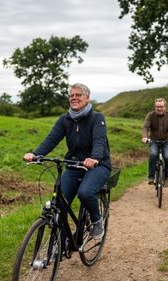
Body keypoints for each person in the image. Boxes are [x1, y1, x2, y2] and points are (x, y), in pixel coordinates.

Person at [23, 83, 111, 240]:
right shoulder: (65, 119)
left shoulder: (97, 118)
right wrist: (36, 154)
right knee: (60, 203)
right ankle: (61, 243)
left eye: (78, 95)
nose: (74, 98)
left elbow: (99, 142)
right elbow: (51, 140)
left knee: (85, 193)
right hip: (74, 164)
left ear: (87, 98)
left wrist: (95, 158)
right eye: (71, 95)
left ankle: (97, 220)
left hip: (97, 165)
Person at [141, 97, 168, 187]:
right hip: (153, 141)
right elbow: (145, 127)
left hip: (166, 141)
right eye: (157, 106)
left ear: (165, 107)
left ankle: (166, 177)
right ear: (155, 107)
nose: (159, 108)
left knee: (167, 158)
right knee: (153, 155)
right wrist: (144, 137)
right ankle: (151, 177)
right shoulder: (150, 115)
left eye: (161, 106)